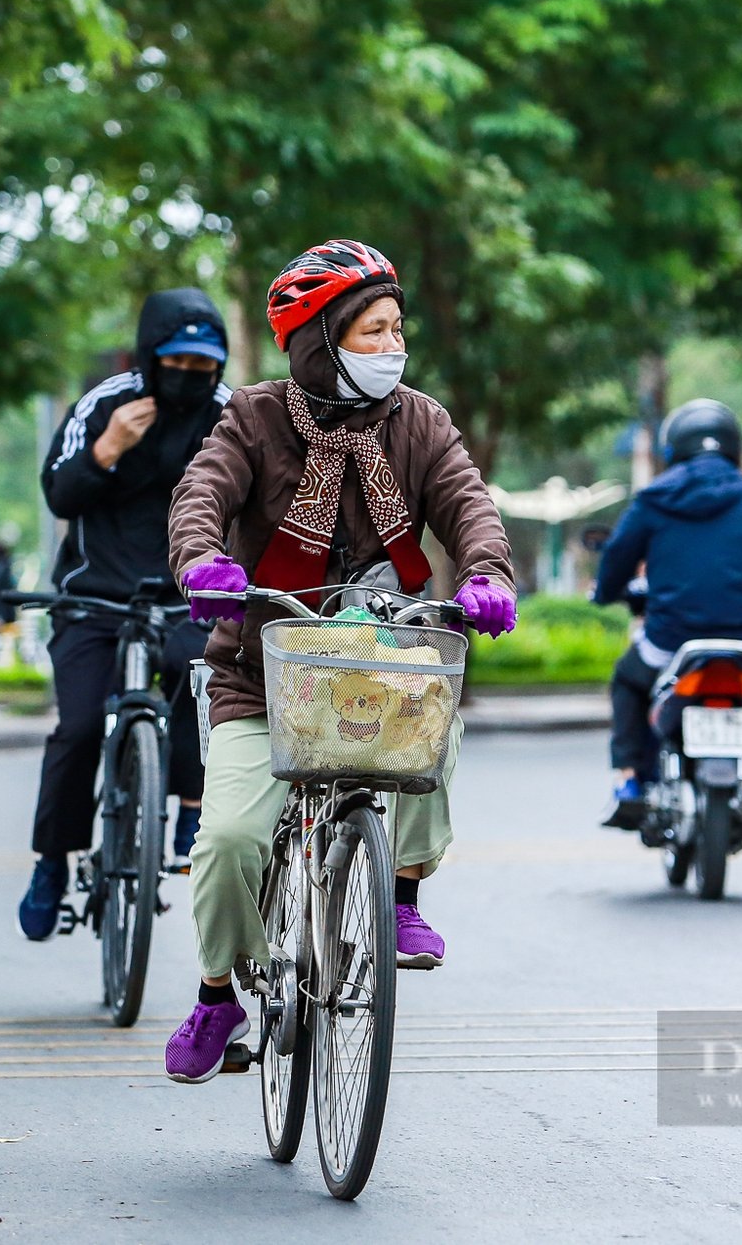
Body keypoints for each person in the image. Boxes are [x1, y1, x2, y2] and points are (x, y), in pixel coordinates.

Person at [162, 238, 516, 1083]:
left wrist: (488, 573)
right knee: (229, 841)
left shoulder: (421, 421)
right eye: (373, 332)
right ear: (319, 341)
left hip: (387, 659)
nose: (394, 347)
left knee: (435, 732)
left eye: (399, 329)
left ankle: (401, 896)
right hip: (264, 671)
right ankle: (219, 993)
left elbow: (469, 503)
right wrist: (204, 563)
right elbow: (199, 495)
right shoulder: (252, 416)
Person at [16, 289, 232, 940]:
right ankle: (52, 862)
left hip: (187, 596)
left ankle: (192, 809)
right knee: (78, 729)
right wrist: (108, 447)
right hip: (94, 601)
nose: (190, 378)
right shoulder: (106, 404)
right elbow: (60, 493)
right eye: (176, 363)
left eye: (204, 365)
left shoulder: (228, 415)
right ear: (148, 358)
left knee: (202, 683)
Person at [591, 399, 742, 829]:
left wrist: (606, 593)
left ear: (673, 449)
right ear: (734, 447)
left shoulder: (652, 501)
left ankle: (629, 784)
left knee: (628, 680)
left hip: (669, 643)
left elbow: (615, 562)